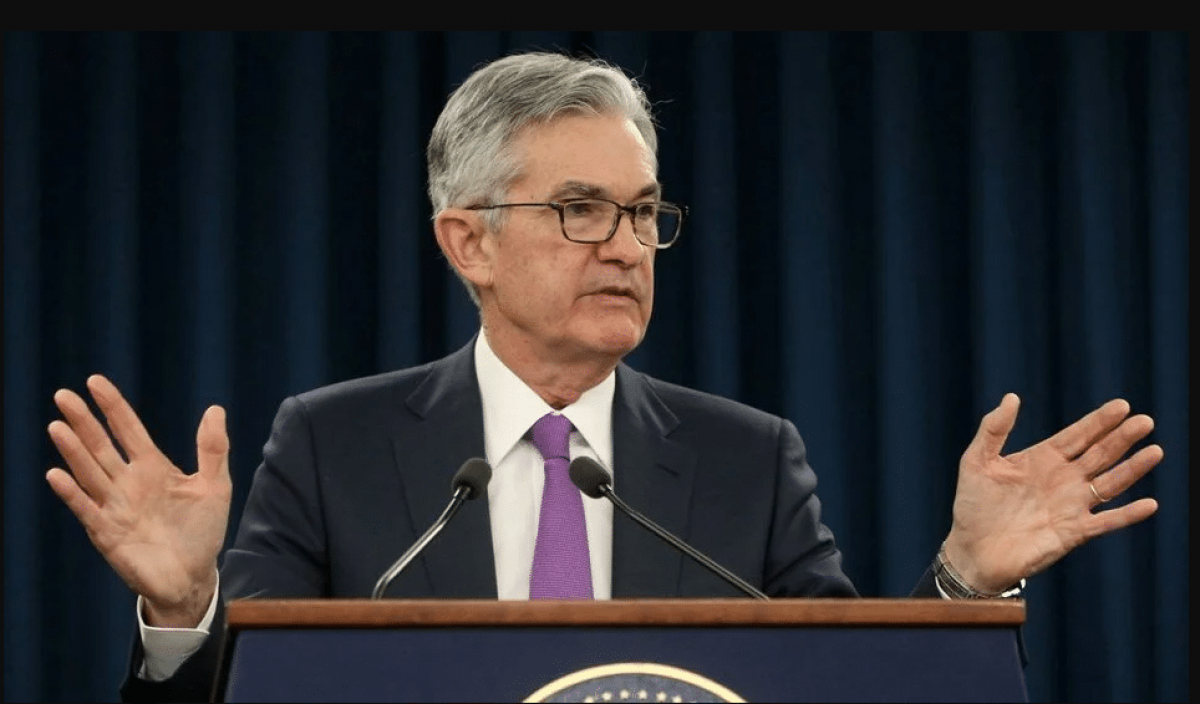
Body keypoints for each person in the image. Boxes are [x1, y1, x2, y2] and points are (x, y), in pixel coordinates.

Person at [45, 51, 1162, 703]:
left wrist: (964, 582)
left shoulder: (748, 457)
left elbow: (843, 687)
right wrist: (184, 611)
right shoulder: (332, 444)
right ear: (468, 242)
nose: (626, 246)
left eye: (642, 212)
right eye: (580, 209)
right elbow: (254, 694)